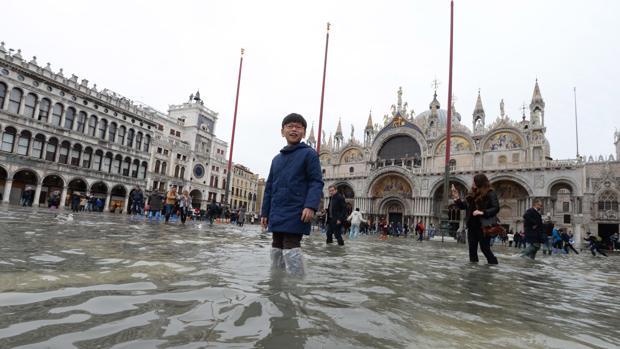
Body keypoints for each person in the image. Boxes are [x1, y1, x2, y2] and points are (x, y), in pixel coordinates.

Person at [261, 113, 323, 276]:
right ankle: (276, 280)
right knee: (276, 245)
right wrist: (264, 213)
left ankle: (296, 286)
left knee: (291, 245)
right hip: (277, 210)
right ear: (283, 131)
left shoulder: (309, 154)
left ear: (303, 132)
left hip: (297, 209)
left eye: (298, 126)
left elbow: (316, 182)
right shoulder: (276, 159)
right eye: (290, 126)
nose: (294, 129)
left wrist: (310, 206)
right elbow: (269, 187)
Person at [452, 174, 499, 264]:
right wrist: (457, 198)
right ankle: (473, 271)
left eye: (474, 181)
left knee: (485, 249)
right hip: (472, 226)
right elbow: (464, 206)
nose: (472, 183)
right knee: (472, 251)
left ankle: (493, 265)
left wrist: (482, 212)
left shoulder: (490, 193)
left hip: (484, 226)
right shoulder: (472, 194)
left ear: (479, 182)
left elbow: (496, 208)